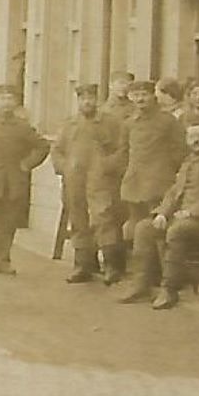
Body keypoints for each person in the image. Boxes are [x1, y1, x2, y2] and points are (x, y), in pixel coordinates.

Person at [119, 123, 199, 310]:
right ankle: (140, 285)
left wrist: (192, 212)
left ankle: (169, 290)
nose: (196, 141)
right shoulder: (187, 162)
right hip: (184, 219)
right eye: (192, 137)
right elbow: (174, 192)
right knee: (144, 228)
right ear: (187, 140)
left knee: (177, 230)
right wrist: (162, 213)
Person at [0, 84, 50, 277]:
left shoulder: (22, 127)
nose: (6, 103)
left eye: (10, 99)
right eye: (3, 99)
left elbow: (42, 146)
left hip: (14, 181)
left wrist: (26, 164)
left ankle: (3, 261)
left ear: (16, 103)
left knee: (8, 223)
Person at [50, 83, 125, 284]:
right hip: (74, 180)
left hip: (100, 180)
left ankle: (111, 265)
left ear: (97, 100)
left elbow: (122, 150)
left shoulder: (110, 123)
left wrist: (107, 166)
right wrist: (64, 167)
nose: (87, 102)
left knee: (103, 218)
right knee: (78, 220)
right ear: (78, 101)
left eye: (91, 98)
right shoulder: (69, 125)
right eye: (83, 99)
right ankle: (84, 265)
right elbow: (56, 150)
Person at [115, 79, 189, 256]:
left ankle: (158, 270)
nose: (140, 99)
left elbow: (180, 151)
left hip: (159, 183)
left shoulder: (168, 121)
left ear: (152, 96)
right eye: (136, 95)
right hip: (134, 183)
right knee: (135, 227)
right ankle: (142, 268)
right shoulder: (129, 123)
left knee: (156, 227)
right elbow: (123, 152)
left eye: (144, 95)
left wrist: (167, 169)